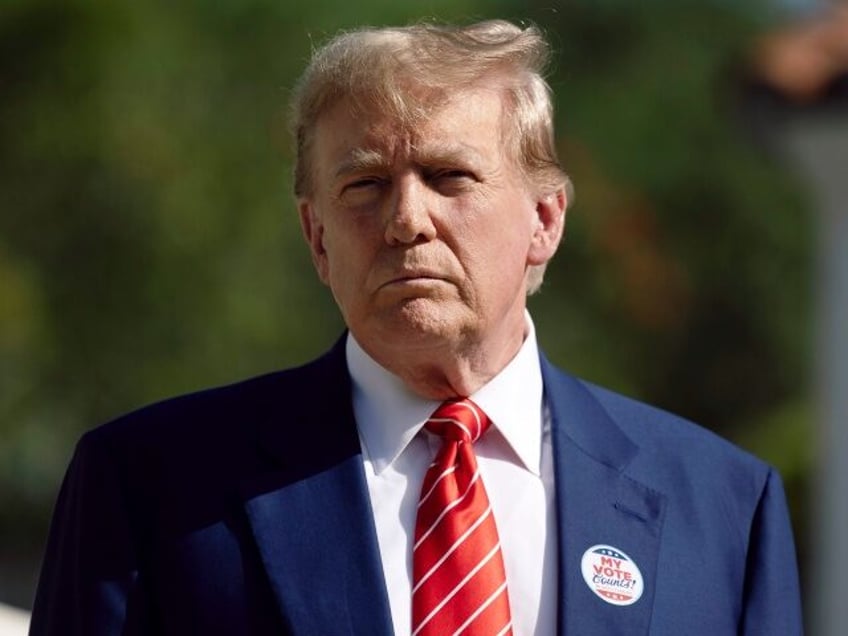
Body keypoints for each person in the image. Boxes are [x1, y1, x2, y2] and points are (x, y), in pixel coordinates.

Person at [30, 19, 803, 635]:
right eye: (364, 184)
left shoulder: (721, 504)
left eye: (448, 176)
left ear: (544, 219)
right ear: (317, 236)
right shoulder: (149, 483)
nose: (406, 220)